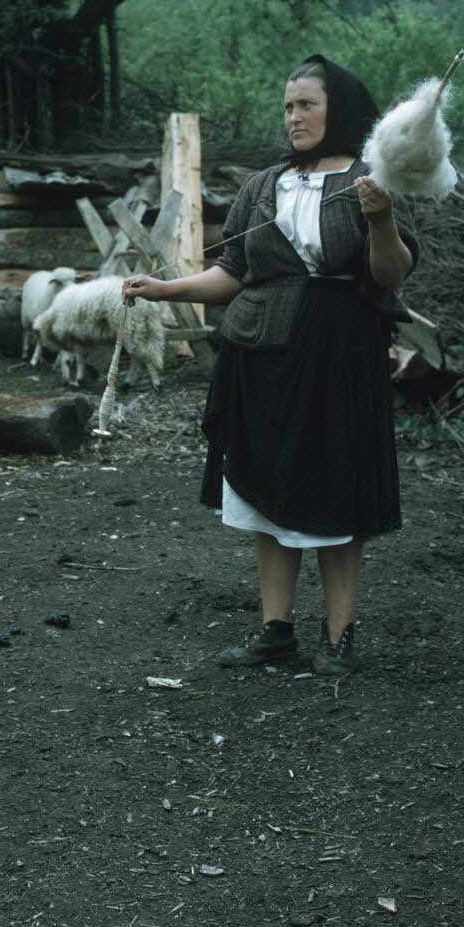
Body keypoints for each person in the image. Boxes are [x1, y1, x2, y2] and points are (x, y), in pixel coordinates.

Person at [122, 55, 418, 675]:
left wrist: (380, 217)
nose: (294, 117)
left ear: (338, 108)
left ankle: (339, 638)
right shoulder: (264, 186)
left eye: (306, 104)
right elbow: (232, 273)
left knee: (337, 494)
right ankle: (274, 633)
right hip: (259, 356)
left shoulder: (374, 179)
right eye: (287, 106)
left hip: (339, 358)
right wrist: (165, 289)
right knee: (262, 490)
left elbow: (391, 275)